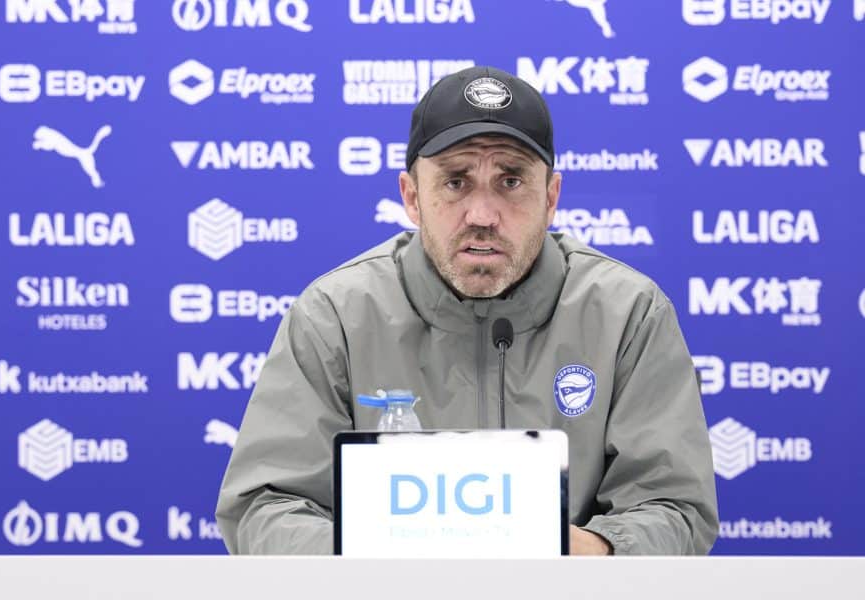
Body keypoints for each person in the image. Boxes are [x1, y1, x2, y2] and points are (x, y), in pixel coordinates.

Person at [216, 66, 718, 555]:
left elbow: (674, 507)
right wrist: (387, 563)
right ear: (412, 197)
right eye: (455, 182)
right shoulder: (335, 316)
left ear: (551, 196)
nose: (482, 216)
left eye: (511, 181)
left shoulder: (628, 312)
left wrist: (589, 551)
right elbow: (265, 506)